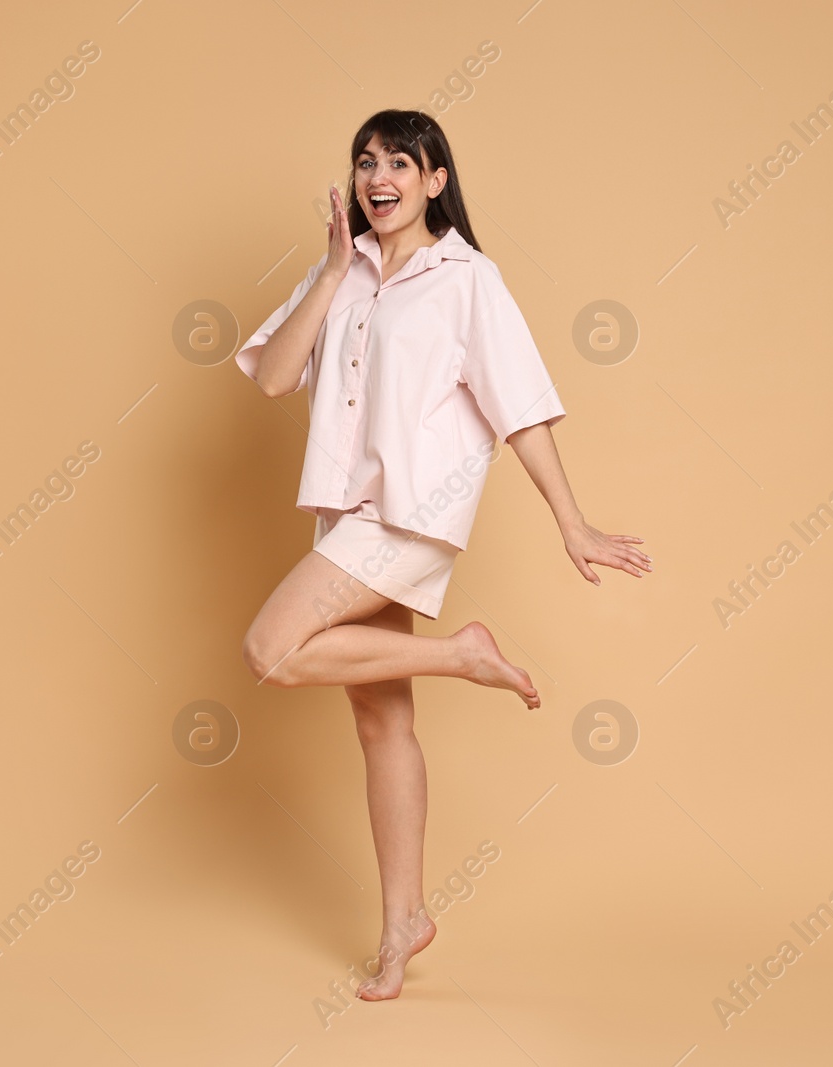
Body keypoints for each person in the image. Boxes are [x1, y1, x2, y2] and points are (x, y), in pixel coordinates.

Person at [235, 109, 651, 1000]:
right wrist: (336, 269)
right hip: (348, 515)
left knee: (270, 649)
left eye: (397, 161)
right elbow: (273, 377)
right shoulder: (340, 273)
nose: (375, 175)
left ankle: (464, 653)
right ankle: (402, 926)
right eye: (363, 161)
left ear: (434, 179)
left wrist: (571, 521)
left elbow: (520, 407)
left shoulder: (467, 279)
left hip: (405, 515)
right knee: (382, 724)